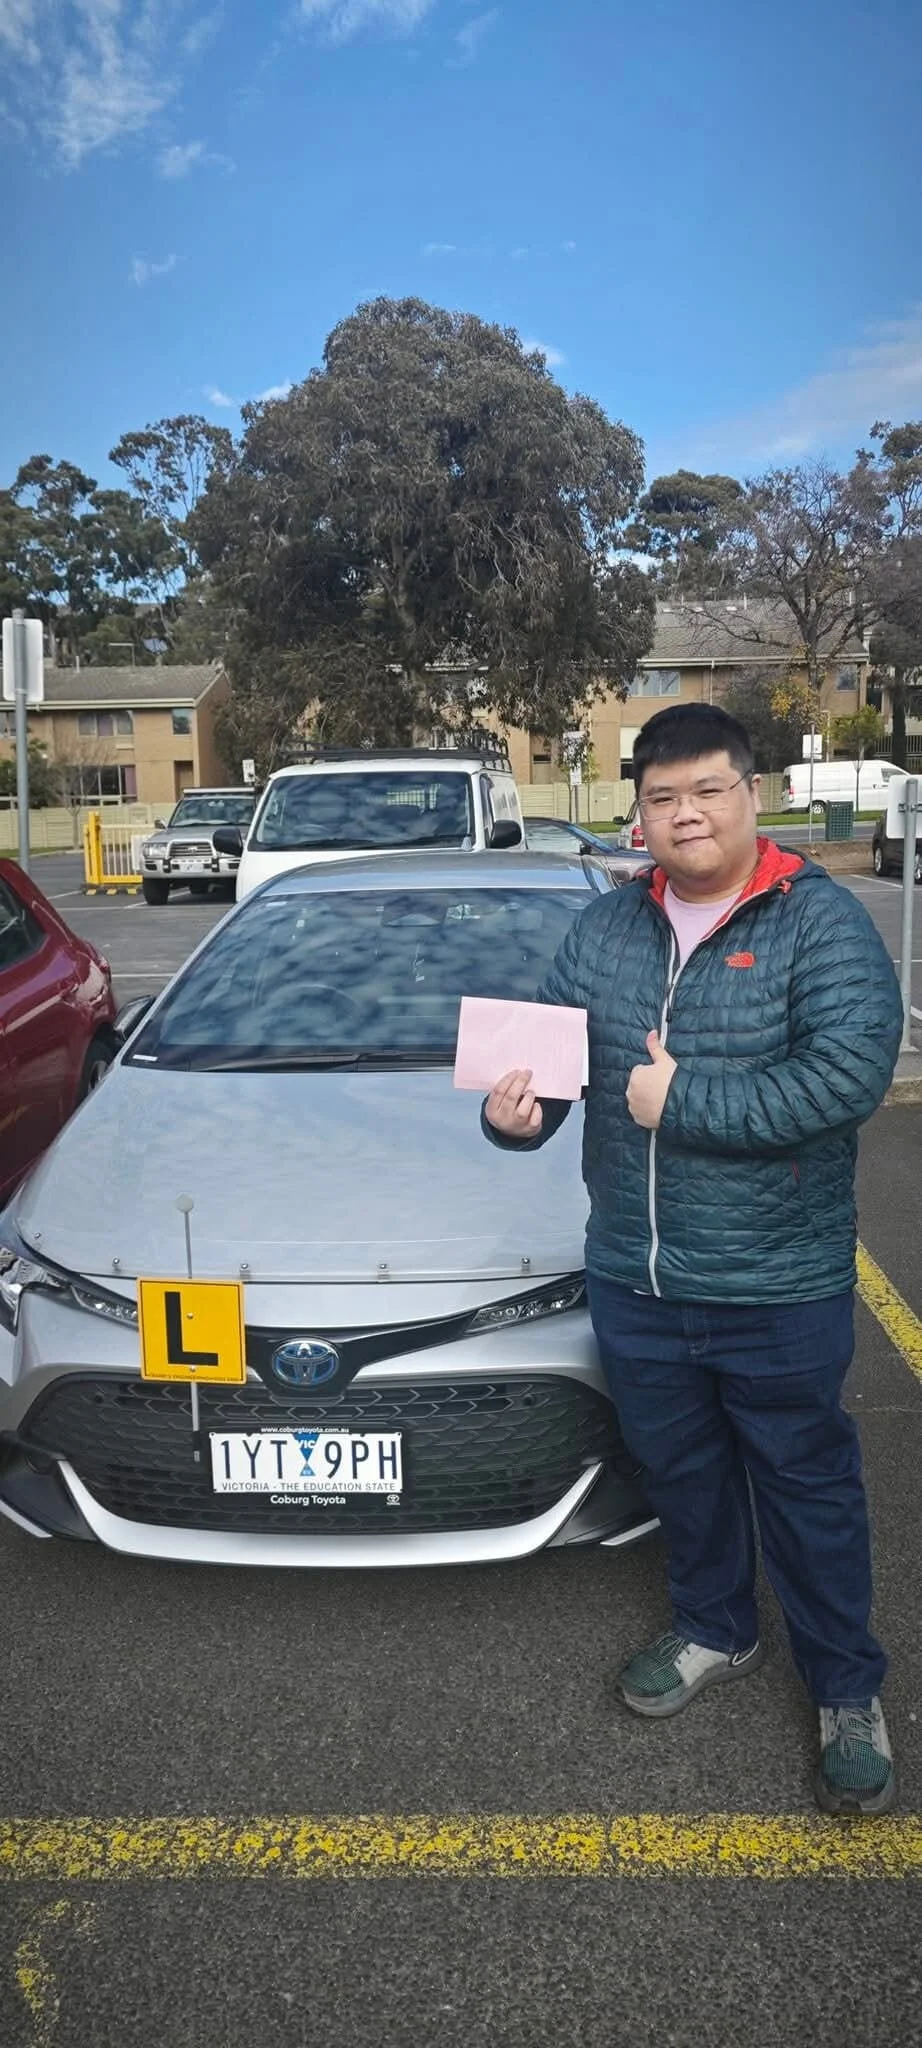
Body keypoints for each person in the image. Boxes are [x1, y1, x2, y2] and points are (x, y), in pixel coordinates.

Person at [483, 703, 903, 1816]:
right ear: (638, 813)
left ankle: (846, 1687)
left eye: (707, 789)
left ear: (749, 793)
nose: (685, 814)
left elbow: (844, 1079)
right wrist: (515, 1114)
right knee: (683, 1476)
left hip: (776, 1281)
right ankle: (716, 1626)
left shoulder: (818, 921)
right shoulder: (607, 928)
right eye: (662, 797)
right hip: (635, 1275)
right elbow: (551, 1063)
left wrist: (686, 1101)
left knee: (807, 1486)